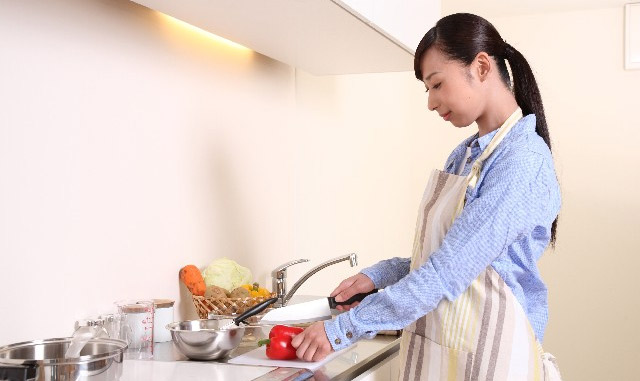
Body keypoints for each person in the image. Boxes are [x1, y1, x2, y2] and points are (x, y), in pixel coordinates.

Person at [291, 13, 562, 380]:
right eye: (427, 90)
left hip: (492, 363)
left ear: (481, 66)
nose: (431, 103)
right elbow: (452, 257)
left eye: (436, 84)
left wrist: (343, 329)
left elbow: (448, 271)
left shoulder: (522, 160)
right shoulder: (466, 155)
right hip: (447, 356)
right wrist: (379, 276)